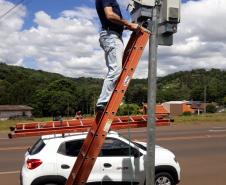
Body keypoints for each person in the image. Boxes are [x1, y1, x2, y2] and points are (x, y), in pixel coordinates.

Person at [95, 0, 140, 112]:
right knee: (115, 70)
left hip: (110, 35)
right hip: (111, 36)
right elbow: (110, 15)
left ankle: (104, 100)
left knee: (115, 69)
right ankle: (102, 102)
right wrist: (129, 24)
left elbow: (111, 21)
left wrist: (127, 27)